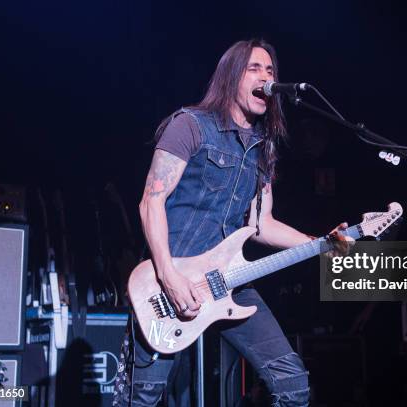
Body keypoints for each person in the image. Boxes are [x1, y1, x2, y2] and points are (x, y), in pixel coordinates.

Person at [113, 38, 351, 407]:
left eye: (271, 70)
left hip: (230, 282)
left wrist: (321, 242)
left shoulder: (263, 148)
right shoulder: (189, 125)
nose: (266, 77)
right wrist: (170, 277)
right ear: (230, 76)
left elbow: (263, 224)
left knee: (293, 386)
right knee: (141, 399)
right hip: (168, 282)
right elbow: (151, 201)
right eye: (254, 68)